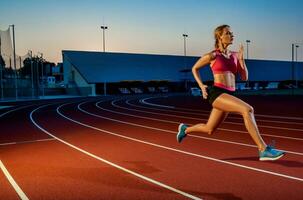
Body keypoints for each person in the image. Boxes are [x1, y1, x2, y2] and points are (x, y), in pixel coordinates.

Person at [176, 24, 285, 161]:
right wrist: (201, 86)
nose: (231, 35)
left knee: (210, 129)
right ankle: (263, 149)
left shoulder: (234, 55)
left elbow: (244, 78)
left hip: (229, 94)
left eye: (231, 33)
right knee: (248, 109)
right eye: (228, 33)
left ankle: (185, 130)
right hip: (216, 93)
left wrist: (241, 60)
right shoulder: (213, 55)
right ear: (220, 37)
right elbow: (194, 68)